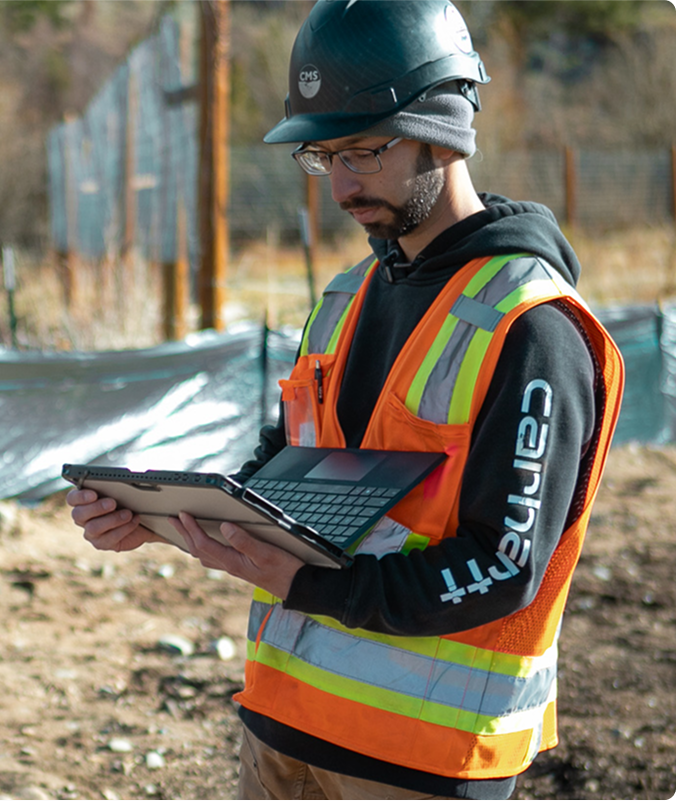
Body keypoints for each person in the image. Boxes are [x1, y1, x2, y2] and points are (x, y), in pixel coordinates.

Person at [67, 0, 625, 798]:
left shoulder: (533, 328)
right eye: (325, 157)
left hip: (417, 765)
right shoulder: (346, 296)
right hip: (279, 729)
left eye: (365, 151)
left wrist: (315, 587)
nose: (341, 185)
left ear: (444, 128)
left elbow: (503, 568)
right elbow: (286, 475)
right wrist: (165, 518)